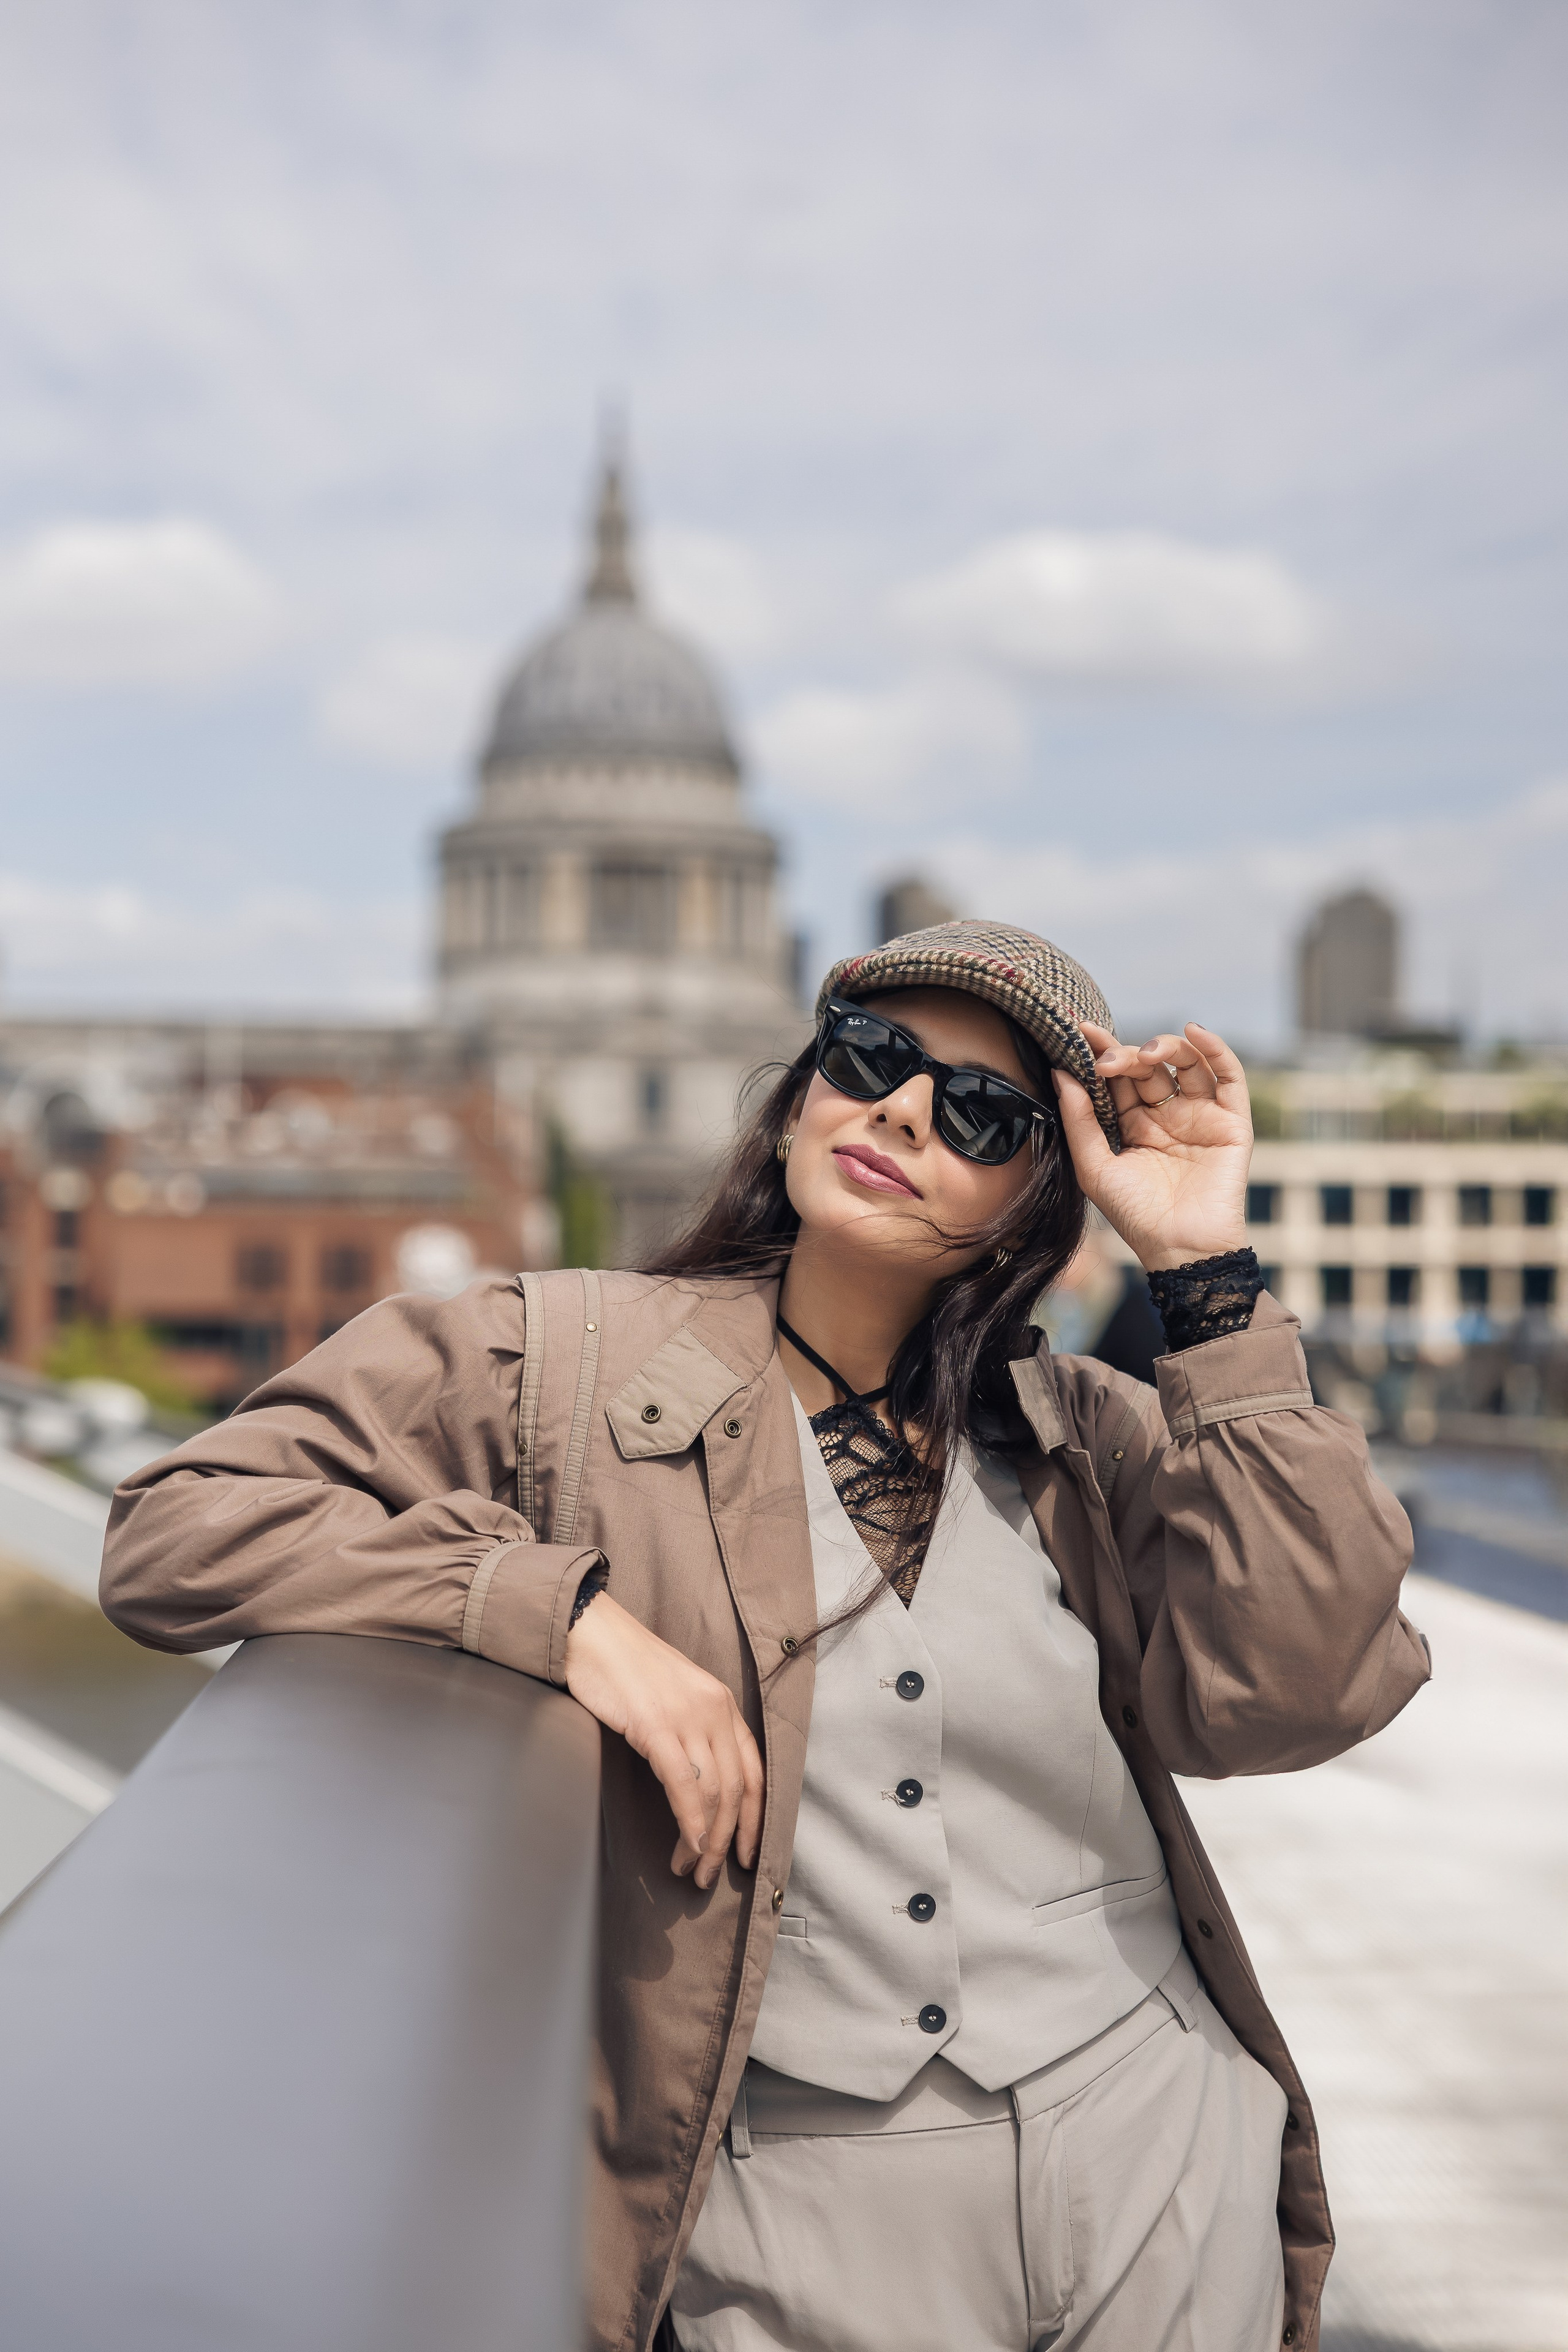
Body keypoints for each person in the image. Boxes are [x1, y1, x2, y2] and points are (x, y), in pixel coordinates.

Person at [100, 919, 1428, 2352]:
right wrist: (559, 1615)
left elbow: (1297, 1695)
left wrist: (1200, 1266)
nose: (905, 1109)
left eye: (980, 1114)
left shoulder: (1086, 1441)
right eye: (872, 1058)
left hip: (1155, 2158)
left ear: (1033, 1203)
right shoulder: (548, 1362)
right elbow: (178, 1525)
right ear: (806, 1087)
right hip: (794, 2221)